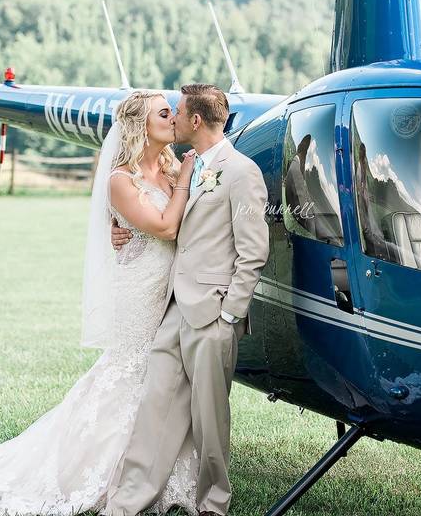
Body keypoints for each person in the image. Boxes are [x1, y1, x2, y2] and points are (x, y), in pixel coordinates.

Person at [0, 90, 201, 515]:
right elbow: (164, 225)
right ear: (140, 124)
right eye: (164, 112)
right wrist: (183, 178)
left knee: (162, 377)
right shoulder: (122, 178)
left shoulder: (170, 167)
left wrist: (164, 190)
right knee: (130, 372)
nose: (173, 117)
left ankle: (161, 468)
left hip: (169, 291)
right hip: (138, 294)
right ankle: (105, 472)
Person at [104, 84, 269, 516]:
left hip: (213, 314)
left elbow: (254, 252)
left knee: (210, 419)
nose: (173, 118)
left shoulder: (241, 172)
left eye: (177, 112)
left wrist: (229, 314)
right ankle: (127, 502)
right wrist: (117, 225)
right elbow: (145, 203)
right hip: (173, 308)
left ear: (195, 121)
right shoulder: (183, 166)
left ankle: (214, 504)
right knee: (154, 406)